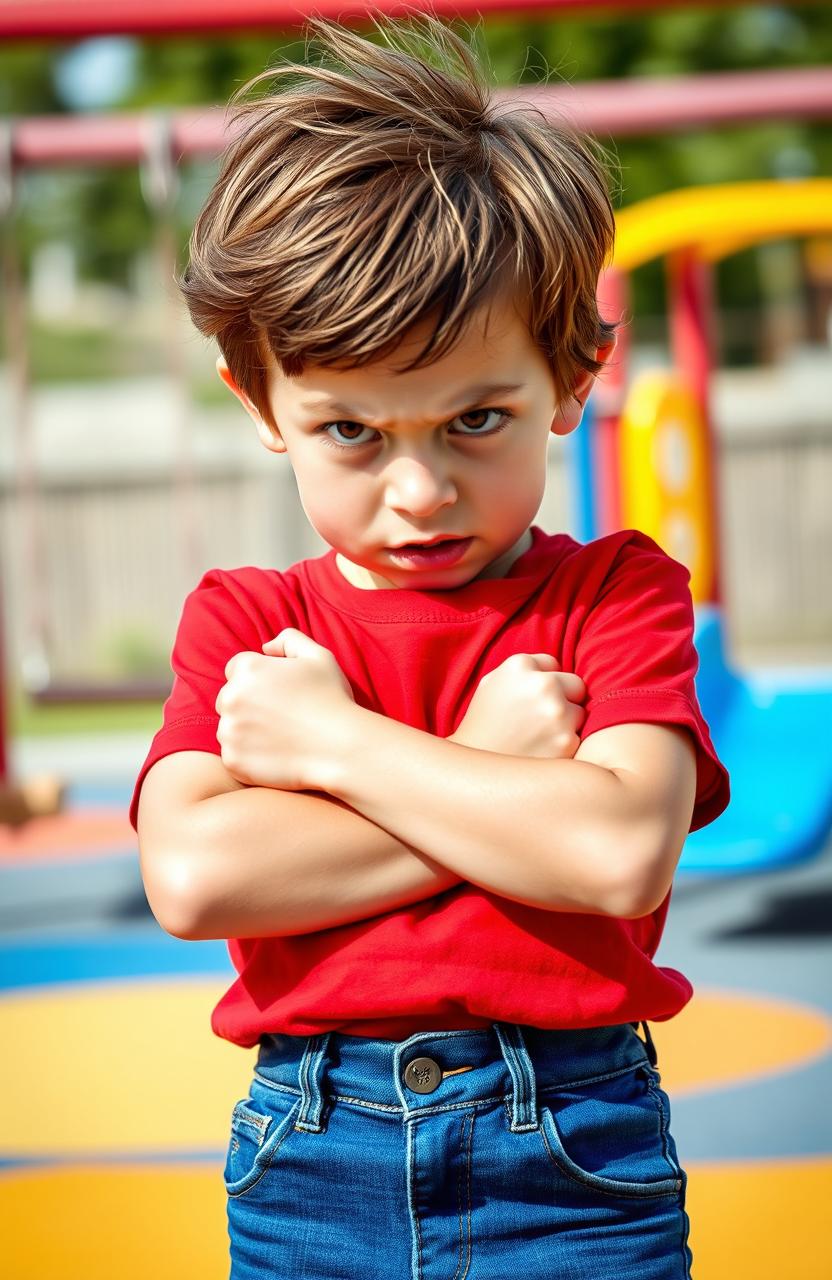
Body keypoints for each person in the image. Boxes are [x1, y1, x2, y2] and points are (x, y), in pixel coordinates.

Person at [130, 12, 730, 1278]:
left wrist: (336, 744)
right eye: (351, 430)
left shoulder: (616, 594)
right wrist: (479, 760)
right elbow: (192, 876)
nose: (418, 491)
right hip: (306, 1151)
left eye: (475, 419)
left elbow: (615, 849)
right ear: (263, 404)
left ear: (568, 380)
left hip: (571, 1149)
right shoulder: (248, 620)